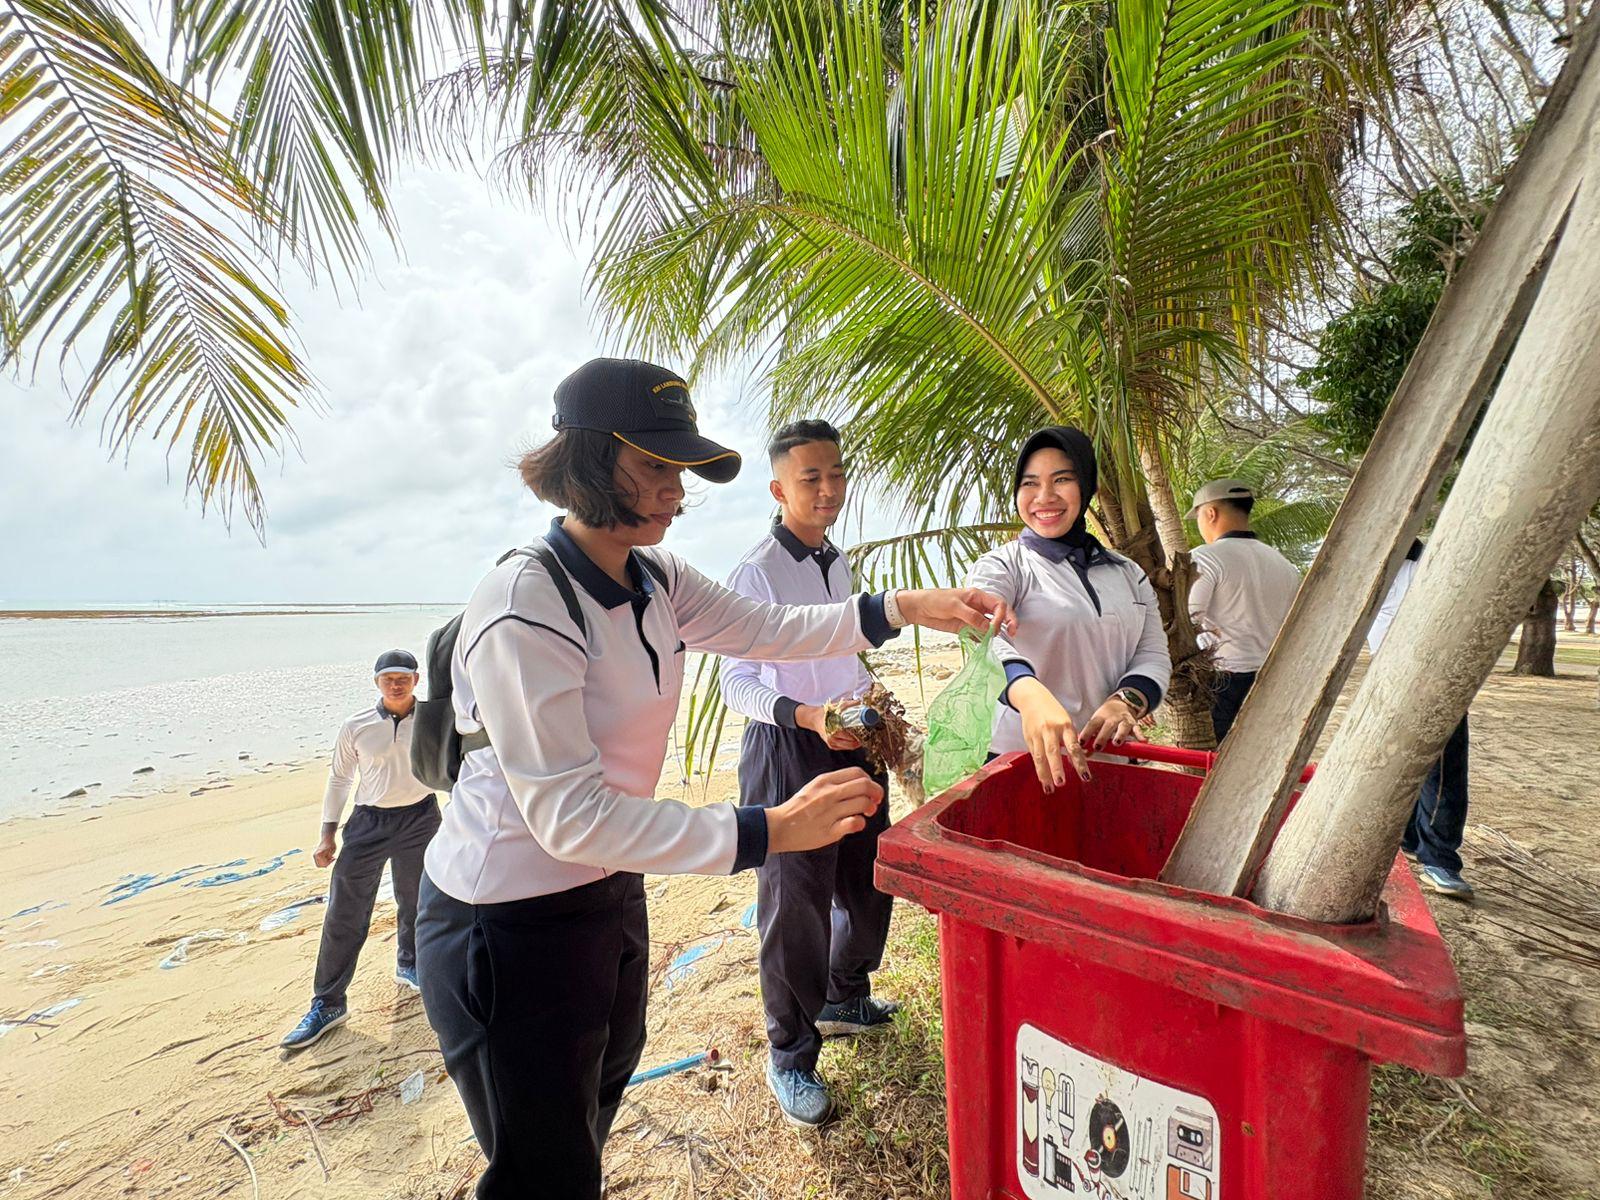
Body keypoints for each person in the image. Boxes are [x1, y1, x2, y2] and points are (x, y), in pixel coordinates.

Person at [413, 357, 1015, 1199]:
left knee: (596, 1104)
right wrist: (766, 828)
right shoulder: (528, 604)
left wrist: (903, 608)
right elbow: (568, 817)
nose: (676, 491)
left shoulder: (653, 577)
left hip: (607, 892)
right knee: (543, 1164)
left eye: (681, 470)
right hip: (505, 920)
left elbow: (764, 627)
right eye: (656, 466)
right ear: (587, 460)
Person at [721, 420, 897, 1128]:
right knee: (793, 907)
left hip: (850, 738)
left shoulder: (836, 562)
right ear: (778, 489)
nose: (827, 490)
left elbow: (842, 651)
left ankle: (844, 995)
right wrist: (805, 715)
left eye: (834, 475)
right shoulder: (755, 571)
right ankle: (790, 1055)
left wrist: (865, 698)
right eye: (809, 479)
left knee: (872, 875)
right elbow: (737, 681)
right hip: (785, 749)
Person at [968, 427, 1172, 789]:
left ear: (1088, 488)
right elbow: (978, 633)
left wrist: (1126, 700)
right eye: (1029, 483)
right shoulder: (1003, 566)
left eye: (1062, 479)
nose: (1044, 497)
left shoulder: (1128, 573)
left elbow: (1152, 652)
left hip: (1110, 759)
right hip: (1020, 760)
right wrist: (1028, 694)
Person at [280, 649, 440, 1051]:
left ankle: (411, 963)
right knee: (345, 913)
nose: (396, 683)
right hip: (369, 823)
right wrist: (327, 834)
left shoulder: (434, 720)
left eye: (403, 676)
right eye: (388, 677)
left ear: (416, 680)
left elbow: (455, 764)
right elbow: (339, 780)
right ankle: (328, 1003)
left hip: (421, 818)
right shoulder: (357, 725)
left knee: (418, 900)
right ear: (377, 682)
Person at [1368, 540, 1473, 900]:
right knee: (1401, 768)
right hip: (1390, 682)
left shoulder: (1429, 569)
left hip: (1435, 682)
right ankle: (1413, 839)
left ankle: (1439, 858)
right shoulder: (1382, 573)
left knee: (1441, 773)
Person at [1185, 478, 1303, 744]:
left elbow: (1189, 618)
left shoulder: (1206, 557)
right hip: (1272, 677)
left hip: (1223, 681)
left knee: (1215, 763)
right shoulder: (1282, 563)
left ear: (1210, 513)